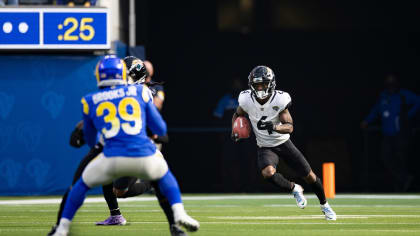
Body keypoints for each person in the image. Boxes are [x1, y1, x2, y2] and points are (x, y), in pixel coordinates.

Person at [51, 55, 199, 236]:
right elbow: (160, 128)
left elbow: (92, 134)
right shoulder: (142, 92)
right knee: (162, 175)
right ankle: (177, 217)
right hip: (141, 148)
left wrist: (82, 131)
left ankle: (62, 228)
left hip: (111, 150)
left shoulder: (93, 98)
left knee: (81, 185)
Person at [231, 65, 336, 220]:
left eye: (263, 84)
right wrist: (234, 130)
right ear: (251, 85)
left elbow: (290, 127)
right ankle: (294, 188)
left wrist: (274, 126)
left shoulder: (280, 99)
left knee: (310, 176)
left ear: (271, 83)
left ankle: (325, 205)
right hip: (265, 146)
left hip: (283, 143)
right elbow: (237, 114)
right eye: (257, 85)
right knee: (267, 173)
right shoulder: (246, 99)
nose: (260, 88)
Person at [361, 73, 419, 191]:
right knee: (386, 157)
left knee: (401, 158)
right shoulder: (384, 96)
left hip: (401, 134)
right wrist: (367, 121)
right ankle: (404, 180)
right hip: (387, 134)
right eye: (389, 82)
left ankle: (405, 186)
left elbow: (418, 102)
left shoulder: (403, 95)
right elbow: (376, 110)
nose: (391, 85)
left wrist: (408, 116)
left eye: (393, 82)